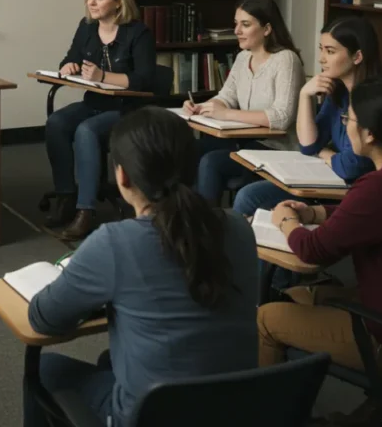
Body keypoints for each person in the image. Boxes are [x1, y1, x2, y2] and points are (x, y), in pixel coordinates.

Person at [26, 106, 258, 427]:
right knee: (110, 361)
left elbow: (43, 318)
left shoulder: (114, 242)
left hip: (150, 416)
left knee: (45, 367)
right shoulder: (241, 229)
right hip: (237, 410)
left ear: (121, 176)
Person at [259, 77, 382, 425]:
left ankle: (270, 418)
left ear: (371, 133)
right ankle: (368, 412)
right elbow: (368, 215)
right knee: (299, 296)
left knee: (266, 319)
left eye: (348, 120)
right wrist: (315, 212)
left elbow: (314, 250)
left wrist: (286, 220)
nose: (345, 126)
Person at [44, 0, 156, 241]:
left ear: (118, 1)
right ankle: (66, 196)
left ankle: (86, 211)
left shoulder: (137, 32)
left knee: (86, 130)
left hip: (126, 109)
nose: (91, 3)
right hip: (94, 102)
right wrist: (67, 66)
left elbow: (144, 79)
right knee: (56, 123)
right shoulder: (87, 27)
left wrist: (103, 76)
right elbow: (70, 57)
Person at [232, 15, 381, 217]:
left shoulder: (373, 99)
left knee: (250, 197)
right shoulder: (338, 91)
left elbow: (350, 167)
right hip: (331, 179)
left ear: (357, 57)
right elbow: (309, 144)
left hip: (358, 193)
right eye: (321, 49)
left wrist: (324, 153)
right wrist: (304, 94)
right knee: (248, 195)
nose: (321, 58)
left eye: (330, 51)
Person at [183, 0, 304, 203]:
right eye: (236, 24)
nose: (237, 31)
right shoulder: (243, 57)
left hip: (278, 149)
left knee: (211, 161)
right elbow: (226, 96)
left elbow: (281, 117)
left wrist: (226, 113)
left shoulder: (286, 60)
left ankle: (202, 228)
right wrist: (202, 107)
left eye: (245, 24)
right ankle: (183, 217)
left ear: (267, 29)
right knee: (186, 149)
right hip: (245, 142)